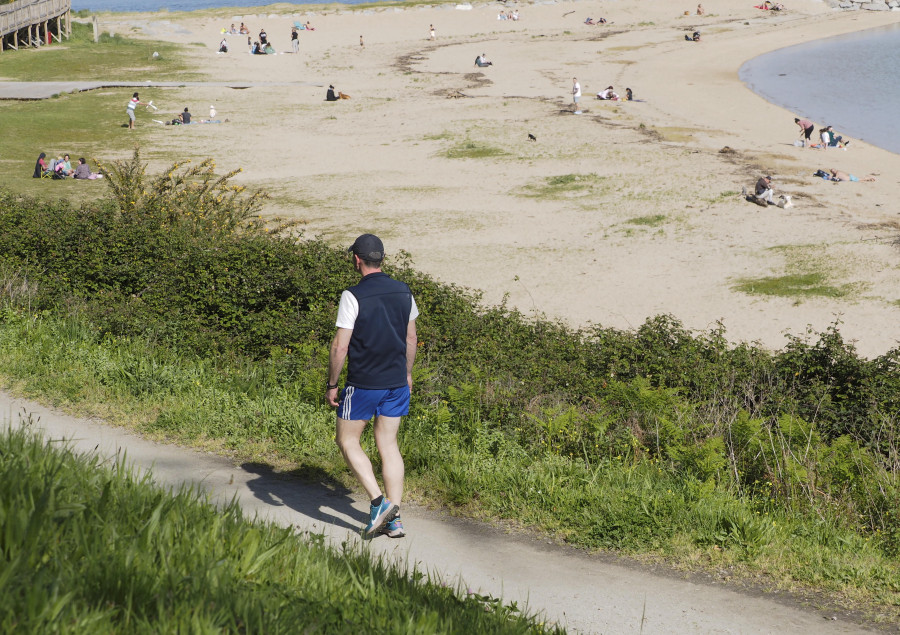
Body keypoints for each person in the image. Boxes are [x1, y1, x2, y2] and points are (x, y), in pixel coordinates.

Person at [326, 234, 418, 539]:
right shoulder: (404, 291)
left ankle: (379, 504)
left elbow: (340, 347)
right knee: (388, 445)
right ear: (382, 259)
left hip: (364, 383)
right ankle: (396, 520)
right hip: (396, 382)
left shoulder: (352, 295)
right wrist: (407, 374)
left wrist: (332, 383)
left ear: (356, 259)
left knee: (347, 440)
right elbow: (411, 339)